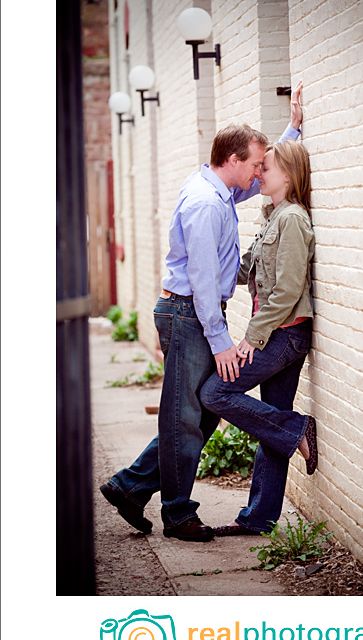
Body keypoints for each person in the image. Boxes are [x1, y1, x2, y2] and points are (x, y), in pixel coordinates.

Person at [100, 82, 304, 542]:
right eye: (255, 164)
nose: (258, 173)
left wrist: (290, 134)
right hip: (190, 314)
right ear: (232, 160)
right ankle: (177, 514)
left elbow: (261, 188)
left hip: (192, 313)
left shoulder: (217, 192)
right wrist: (222, 342)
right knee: (184, 420)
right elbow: (204, 282)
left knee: (201, 412)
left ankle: (131, 486)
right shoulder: (205, 205)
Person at [200, 138, 317, 537]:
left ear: (288, 174)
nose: (258, 173)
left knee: (215, 394)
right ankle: (259, 519)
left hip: (283, 337)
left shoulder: (293, 219)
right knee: (271, 428)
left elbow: (287, 290)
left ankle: (296, 428)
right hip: (278, 334)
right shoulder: (274, 215)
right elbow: (244, 268)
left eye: (265, 168)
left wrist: (252, 337)